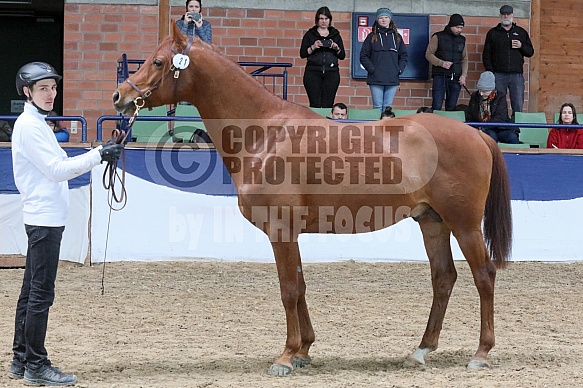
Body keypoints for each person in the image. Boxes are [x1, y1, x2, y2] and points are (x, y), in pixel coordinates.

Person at [8, 62, 123, 386]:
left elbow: (57, 166)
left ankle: (21, 359)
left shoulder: (38, 124)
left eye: (53, 87)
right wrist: (99, 155)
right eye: (43, 88)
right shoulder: (30, 126)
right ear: (27, 92)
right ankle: (36, 364)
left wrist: (99, 153)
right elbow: (57, 169)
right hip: (44, 221)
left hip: (44, 218)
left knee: (31, 292)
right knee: (40, 295)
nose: (51, 93)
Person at [482, 5, 534, 118]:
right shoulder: (493, 33)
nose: (506, 16)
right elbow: (486, 55)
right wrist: (491, 72)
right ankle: (500, 126)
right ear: (500, 16)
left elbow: (530, 52)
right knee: (497, 103)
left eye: (508, 14)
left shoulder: (521, 32)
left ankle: (517, 129)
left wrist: (521, 46)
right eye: (503, 14)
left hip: (516, 76)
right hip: (498, 75)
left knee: (518, 104)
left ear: (512, 16)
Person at [360, 7, 408, 112]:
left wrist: (399, 69)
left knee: (387, 107)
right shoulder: (371, 36)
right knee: (377, 107)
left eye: (386, 17)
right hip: (375, 78)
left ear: (390, 19)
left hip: (392, 78)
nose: (384, 20)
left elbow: (404, 55)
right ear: (377, 19)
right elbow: (363, 56)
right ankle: (377, 128)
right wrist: (372, 69)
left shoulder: (397, 37)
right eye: (381, 17)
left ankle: (385, 128)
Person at [299, 6, 345, 108]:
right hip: (313, 72)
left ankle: (325, 123)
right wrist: (313, 47)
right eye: (321, 19)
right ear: (317, 20)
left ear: (330, 20)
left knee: (328, 104)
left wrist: (336, 48)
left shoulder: (335, 35)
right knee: (314, 103)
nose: (324, 21)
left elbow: (342, 56)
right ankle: (314, 124)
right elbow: (302, 54)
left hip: (331, 73)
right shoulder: (310, 34)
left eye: (326, 19)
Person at [425, 14, 468, 111]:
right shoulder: (438, 37)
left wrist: (463, 75)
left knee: (451, 107)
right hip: (440, 75)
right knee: (437, 105)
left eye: (461, 28)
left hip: (456, 77)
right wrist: (441, 63)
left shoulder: (462, 40)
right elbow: (428, 54)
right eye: (457, 27)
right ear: (451, 25)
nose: (459, 30)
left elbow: (465, 59)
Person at [467, 71, 518, 143]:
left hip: (500, 127)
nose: (481, 94)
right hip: (481, 128)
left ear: (492, 89)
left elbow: (501, 116)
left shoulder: (500, 96)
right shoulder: (474, 97)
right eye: (480, 90)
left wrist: (485, 126)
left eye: (485, 91)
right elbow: (470, 116)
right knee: (491, 136)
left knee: (512, 137)